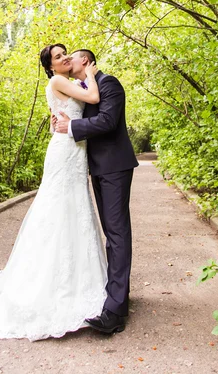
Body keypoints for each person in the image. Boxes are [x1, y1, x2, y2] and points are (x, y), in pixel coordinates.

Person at [0, 43, 108, 342]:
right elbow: (92, 97)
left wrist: (69, 118)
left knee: (73, 210)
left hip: (71, 148)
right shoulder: (58, 80)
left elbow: (68, 115)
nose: (65, 57)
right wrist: (91, 73)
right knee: (58, 211)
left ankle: (81, 282)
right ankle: (51, 286)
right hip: (65, 152)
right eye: (58, 56)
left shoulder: (64, 83)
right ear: (50, 66)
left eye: (66, 53)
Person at [54, 49, 138, 334]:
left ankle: (114, 312)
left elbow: (107, 122)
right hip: (96, 168)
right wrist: (61, 121)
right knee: (110, 235)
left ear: (86, 62)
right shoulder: (82, 88)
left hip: (115, 167)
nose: (68, 61)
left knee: (116, 233)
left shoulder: (109, 83)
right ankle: (117, 297)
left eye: (72, 58)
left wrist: (72, 126)